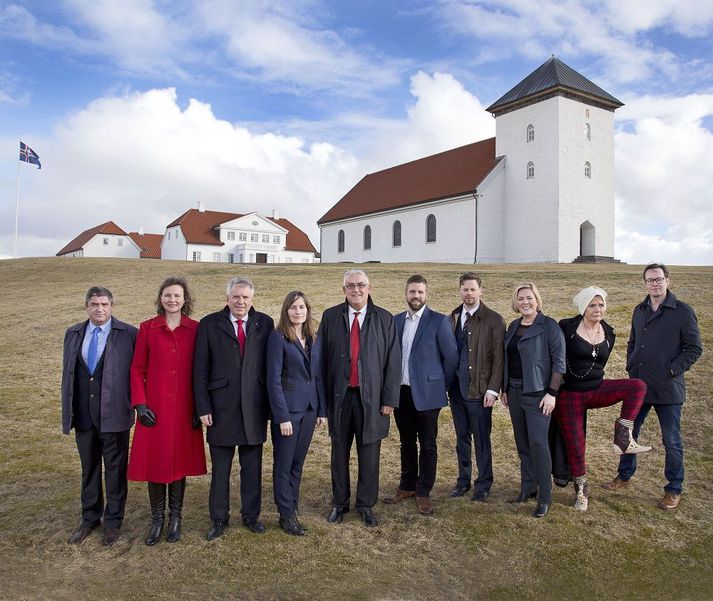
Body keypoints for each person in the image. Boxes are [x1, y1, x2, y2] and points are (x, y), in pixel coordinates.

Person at [604, 263, 702, 510]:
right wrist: (631, 364)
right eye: (650, 280)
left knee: (672, 440)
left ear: (668, 280)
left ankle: (673, 488)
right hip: (639, 386)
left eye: (658, 279)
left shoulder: (683, 312)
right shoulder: (640, 310)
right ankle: (624, 476)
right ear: (645, 283)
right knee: (628, 433)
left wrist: (672, 369)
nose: (654, 284)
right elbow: (633, 341)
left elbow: (694, 348)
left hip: (668, 388)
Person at [555, 286, 650, 511]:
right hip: (570, 395)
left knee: (637, 386)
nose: (598, 309)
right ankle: (581, 491)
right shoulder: (566, 327)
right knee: (577, 447)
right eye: (592, 305)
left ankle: (622, 438)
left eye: (601, 305)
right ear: (583, 307)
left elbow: (600, 365)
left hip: (596, 389)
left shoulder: (609, 332)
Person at [127, 277, 207, 545]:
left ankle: (176, 518)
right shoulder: (147, 328)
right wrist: (140, 404)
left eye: (177, 296)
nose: (172, 300)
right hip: (155, 409)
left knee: (179, 463)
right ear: (160, 299)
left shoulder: (196, 329)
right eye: (167, 295)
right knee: (156, 462)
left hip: (185, 409)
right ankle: (157, 519)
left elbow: (202, 370)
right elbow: (137, 369)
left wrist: (200, 406)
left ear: (185, 300)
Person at [319, 269, 401, 527]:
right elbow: (320, 362)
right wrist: (323, 403)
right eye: (351, 286)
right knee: (338, 453)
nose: (356, 290)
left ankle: (366, 504)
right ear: (343, 290)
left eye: (361, 285)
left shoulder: (385, 318)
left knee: (370, 454)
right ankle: (339, 503)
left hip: (373, 401)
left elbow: (393, 362)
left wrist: (389, 399)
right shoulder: (331, 316)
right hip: (340, 399)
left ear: (370, 287)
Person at [194, 277, 274, 539]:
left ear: (252, 299)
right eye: (236, 297)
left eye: (245, 297)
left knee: (252, 468)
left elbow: (270, 368)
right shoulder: (209, 324)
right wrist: (203, 407)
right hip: (220, 408)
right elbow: (200, 370)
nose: (240, 302)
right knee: (221, 469)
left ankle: (251, 516)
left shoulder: (265, 323)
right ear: (227, 298)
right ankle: (219, 519)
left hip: (254, 407)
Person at [61, 286, 137, 546]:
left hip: (114, 413)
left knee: (115, 470)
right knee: (89, 469)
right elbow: (69, 374)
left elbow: (137, 375)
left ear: (112, 305)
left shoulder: (128, 334)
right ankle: (90, 518)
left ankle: (113, 522)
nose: (100, 308)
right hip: (83, 414)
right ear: (86, 307)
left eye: (105, 304)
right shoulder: (72, 334)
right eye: (94, 304)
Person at [383, 275, 458, 515]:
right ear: (406, 293)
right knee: (406, 441)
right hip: (401, 392)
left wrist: (439, 385)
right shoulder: (395, 321)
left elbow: (451, 358)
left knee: (427, 443)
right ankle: (407, 485)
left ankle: (424, 490)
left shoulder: (438, 321)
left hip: (428, 394)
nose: (416, 296)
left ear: (426, 295)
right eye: (412, 292)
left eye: (420, 292)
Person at [501, 283, 565, 518]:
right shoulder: (514, 326)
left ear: (537, 300)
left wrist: (552, 393)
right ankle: (528, 488)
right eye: (520, 299)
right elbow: (508, 358)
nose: (525, 302)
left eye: (529, 298)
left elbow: (559, 362)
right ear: (516, 302)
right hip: (515, 391)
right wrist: (505, 388)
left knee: (539, 443)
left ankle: (545, 496)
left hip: (538, 394)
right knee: (523, 443)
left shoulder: (549, 326)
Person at [266, 291, 327, 536]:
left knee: (297, 462)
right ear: (286, 311)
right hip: (288, 412)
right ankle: (285, 514)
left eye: (301, 307)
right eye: (293, 308)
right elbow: (273, 381)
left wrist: (322, 409)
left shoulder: (314, 337)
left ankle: (293, 504)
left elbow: (318, 375)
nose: (297, 311)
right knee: (284, 463)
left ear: (307, 310)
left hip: (310, 409)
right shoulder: (278, 338)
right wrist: (281, 417)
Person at [447, 272, 505, 502]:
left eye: (473, 289)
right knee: (462, 437)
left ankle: (483, 483)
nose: (469, 293)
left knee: (481, 437)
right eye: (465, 289)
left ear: (481, 291)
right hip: (456, 389)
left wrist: (493, 389)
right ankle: (463, 481)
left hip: (480, 390)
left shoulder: (494, 319)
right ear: (460, 291)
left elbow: (499, 358)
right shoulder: (452, 316)